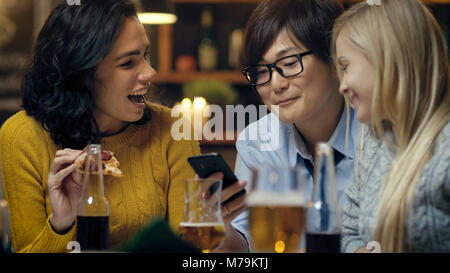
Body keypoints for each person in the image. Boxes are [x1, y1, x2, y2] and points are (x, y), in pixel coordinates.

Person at [0, 0, 209, 253]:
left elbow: (187, 252)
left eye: (145, 55)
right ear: (81, 72)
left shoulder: (174, 129)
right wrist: (62, 222)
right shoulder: (21, 136)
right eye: (127, 63)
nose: (150, 72)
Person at [232, 0, 360, 251]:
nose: (276, 84)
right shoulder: (257, 143)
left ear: (335, 59)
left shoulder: (382, 135)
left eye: (289, 63)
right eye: (260, 71)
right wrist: (222, 229)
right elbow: (247, 246)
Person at [333, 0, 450, 252]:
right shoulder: (375, 135)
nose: (342, 86)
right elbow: (350, 230)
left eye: (346, 67)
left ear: (386, 57)